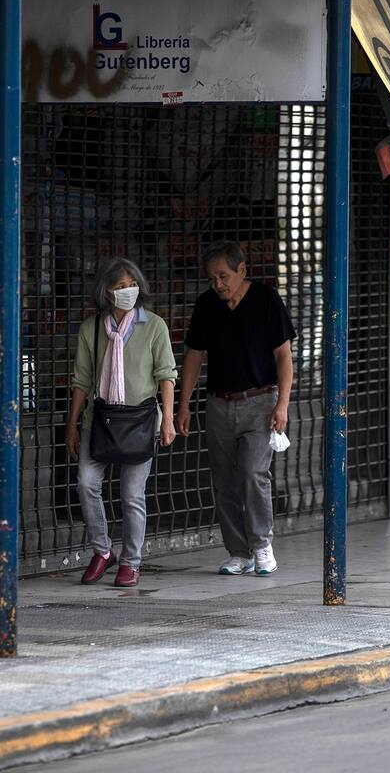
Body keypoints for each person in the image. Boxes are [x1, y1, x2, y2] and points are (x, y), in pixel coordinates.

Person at [176, 242, 296, 576]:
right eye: (212, 277)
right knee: (223, 479)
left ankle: (261, 544)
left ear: (242, 269)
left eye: (223, 276)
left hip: (260, 401)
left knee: (253, 473)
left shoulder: (266, 300)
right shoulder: (206, 305)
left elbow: (284, 356)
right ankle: (237, 551)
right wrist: (184, 405)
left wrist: (282, 404)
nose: (218, 284)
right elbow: (194, 356)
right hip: (217, 402)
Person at [67, 259, 178, 588]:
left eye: (131, 284)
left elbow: (166, 376)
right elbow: (81, 380)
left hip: (141, 420)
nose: (126, 291)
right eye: (118, 287)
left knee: (132, 494)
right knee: (86, 483)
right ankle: (103, 550)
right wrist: (71, 423)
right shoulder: (91, 329)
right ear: (106, 292)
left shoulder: (154, 326)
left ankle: (131, 561)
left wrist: (168, 418)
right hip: (99, 418)